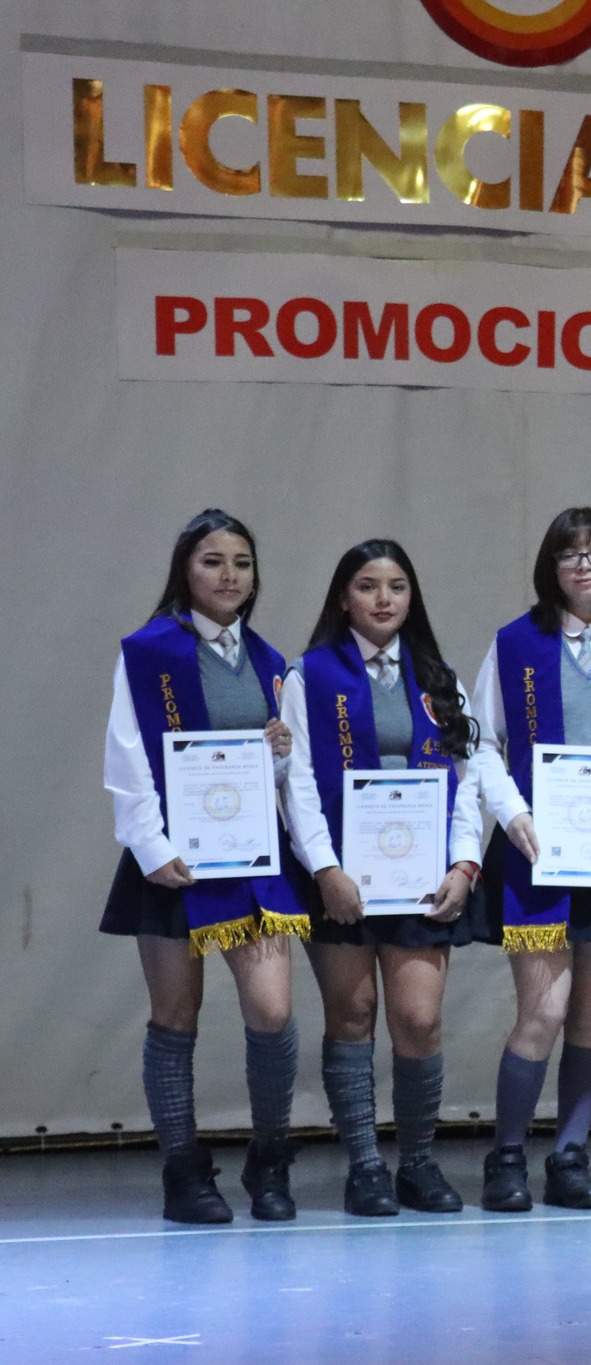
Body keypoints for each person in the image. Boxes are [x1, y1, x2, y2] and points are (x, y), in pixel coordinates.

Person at [100, 509, 308, 1223]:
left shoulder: (272, 662)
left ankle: (269, 1158)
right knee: (175, 1015)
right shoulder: (148, 651)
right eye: (213, 561)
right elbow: (127, 759)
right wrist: (152, 849)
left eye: (242, 563)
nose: (229, 576)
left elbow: (282, 776)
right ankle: (184, 1171)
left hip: (251, 857)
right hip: (174, 862)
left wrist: (278, 753)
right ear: (186, 569)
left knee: (273, 1010)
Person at [467, 508, 591, 1212]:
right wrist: (512, 812)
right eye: (570, 554)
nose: (584, 565)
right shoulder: (514, 644)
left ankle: (571, 1154)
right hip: (537, 853)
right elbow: (480, 741)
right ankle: (508, 1155)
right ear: (550, 566)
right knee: (541, 1011)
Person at [279, 540, 483, 1216]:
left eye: (397, 585)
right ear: (343, 596)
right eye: (368, 585)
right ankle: (365, 1164)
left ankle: (418, 1161)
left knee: (419, 1019)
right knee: (354, 1013)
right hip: (341, 877)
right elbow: (297, 782)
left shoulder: (438, 674)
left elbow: (466, 779)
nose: (384, 598)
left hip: (421, 877)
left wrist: (465, 862)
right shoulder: (310, 675)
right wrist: (325, 867)